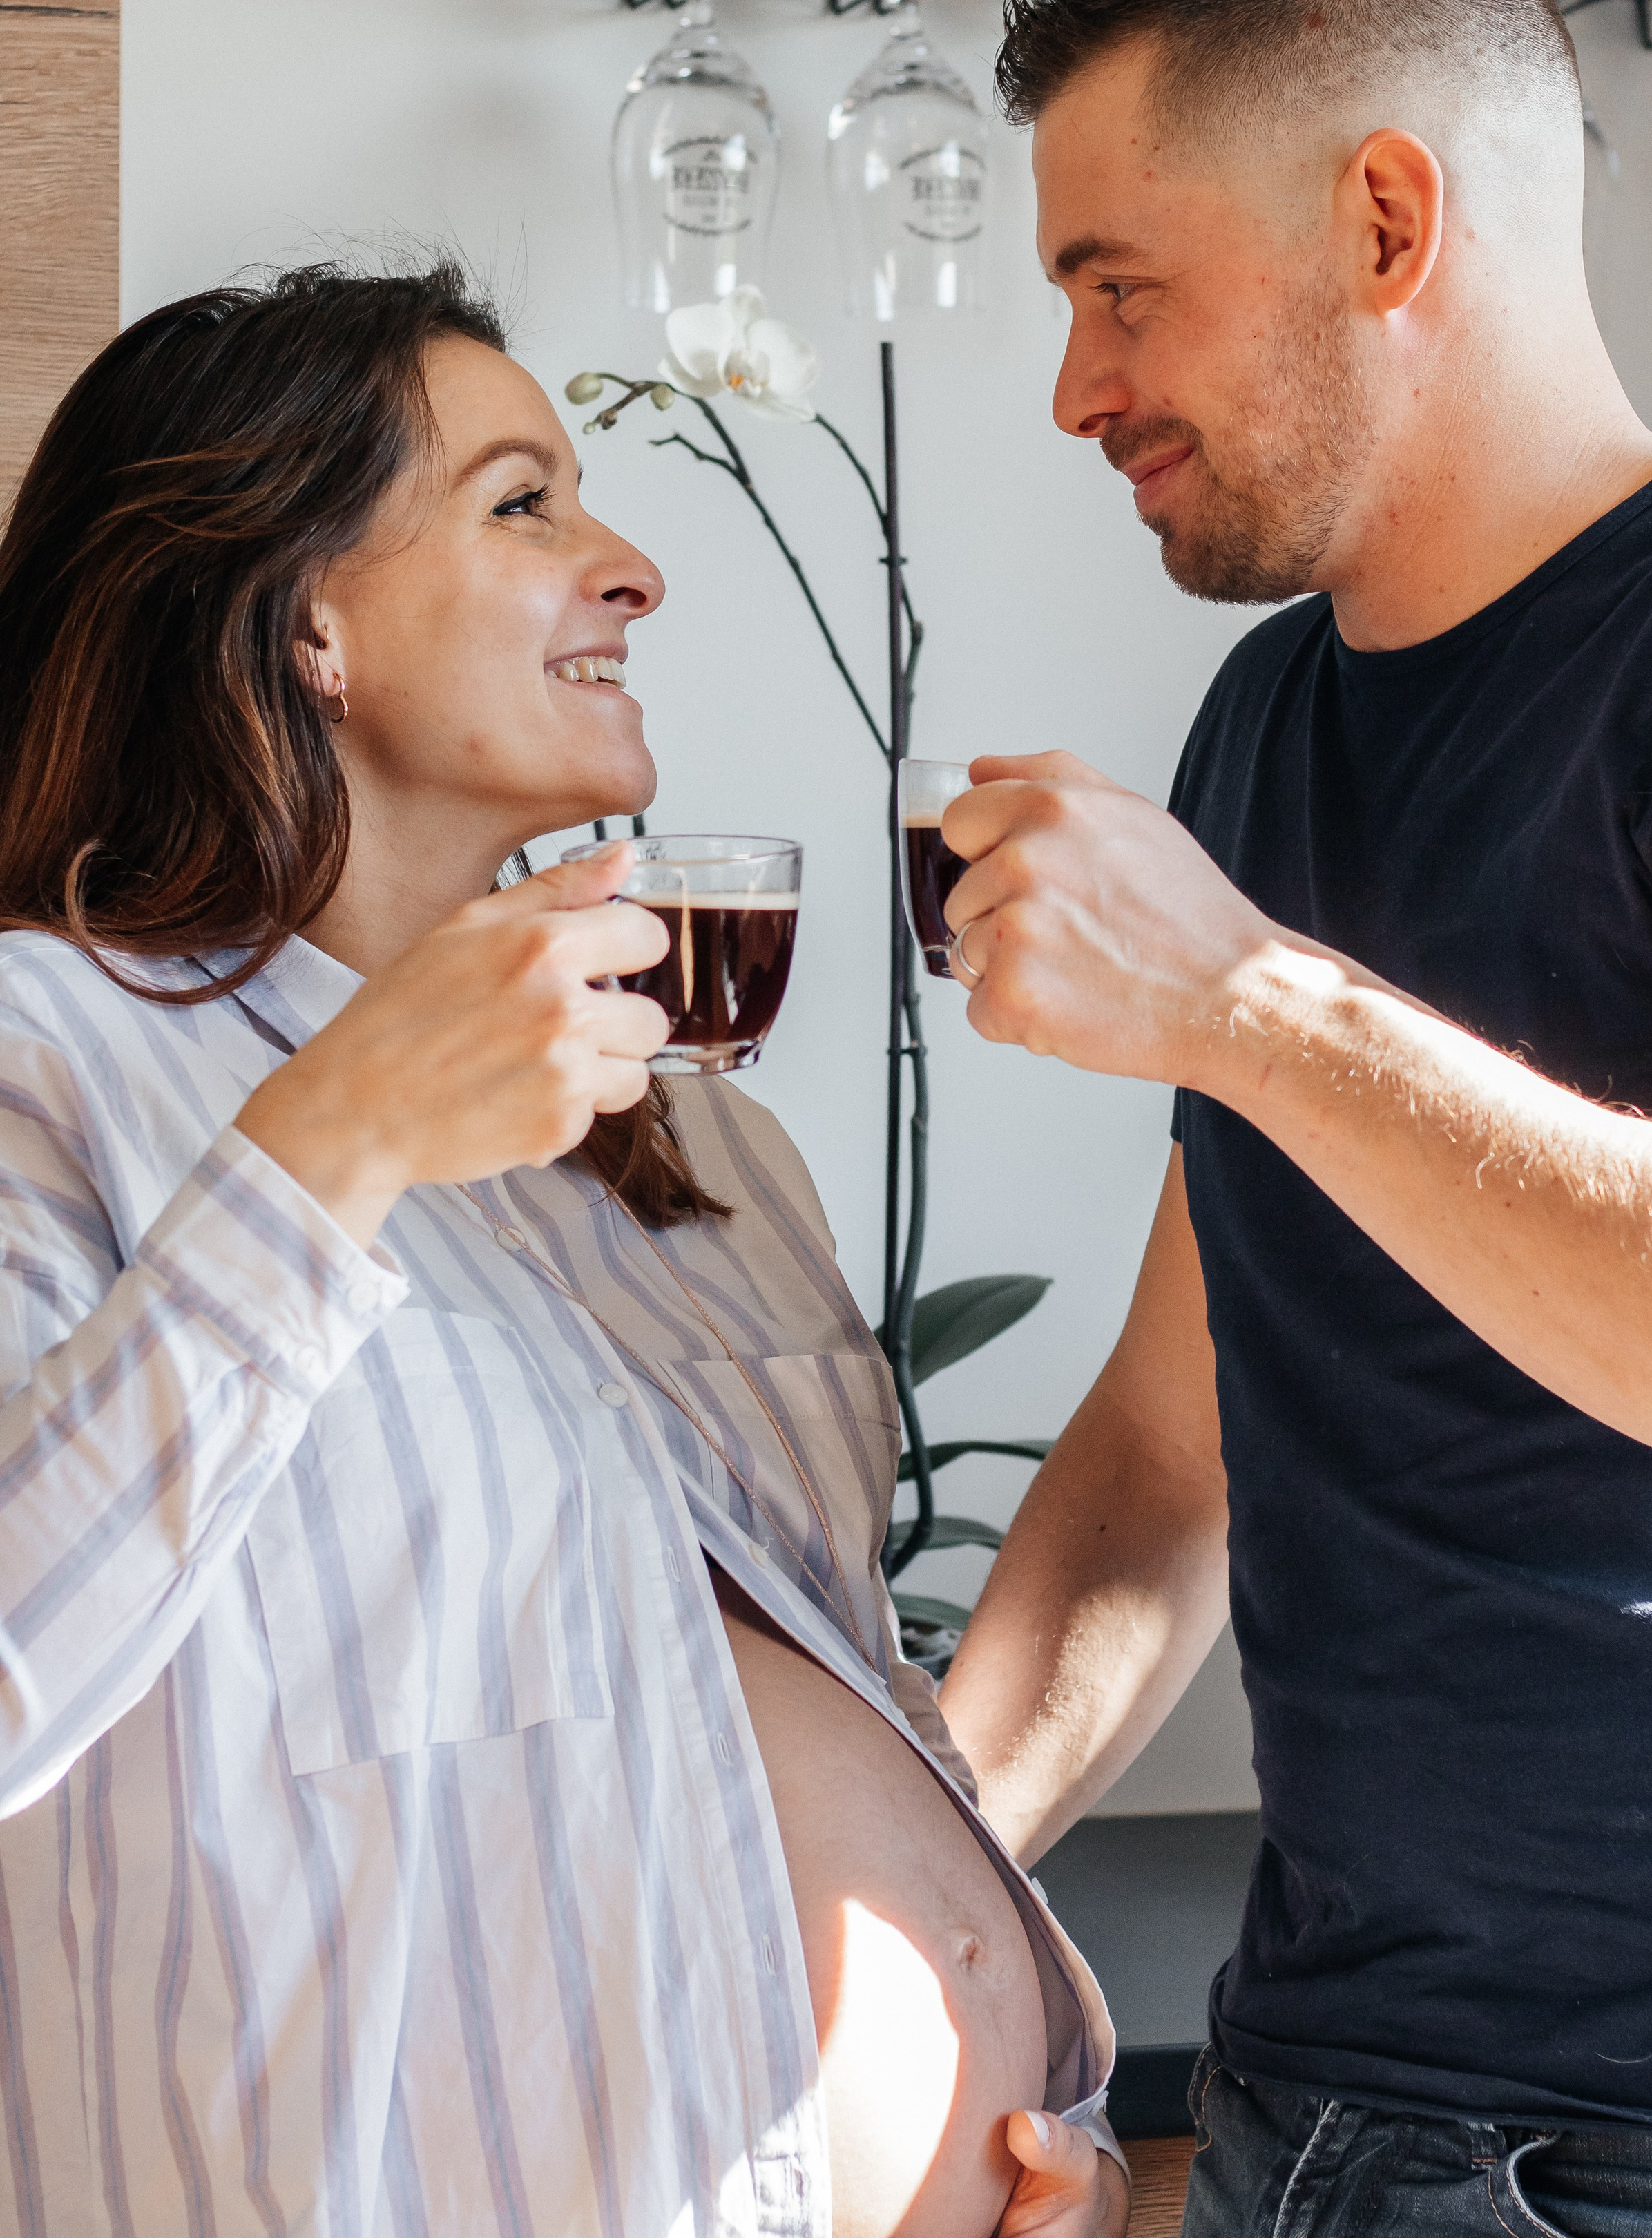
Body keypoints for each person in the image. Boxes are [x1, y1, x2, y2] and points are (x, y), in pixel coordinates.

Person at [0, 261, 1127, 2238]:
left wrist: (1051, 2109)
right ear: (305, 617)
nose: (634, 572)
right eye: (523, 503)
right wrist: (334, 1144)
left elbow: (821, 1697)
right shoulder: (50, 1061)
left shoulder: (695, 1145)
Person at [934, 0, 1652, 2235]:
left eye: (1121, 290)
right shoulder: (1267, 723)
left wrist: (1245, 1004)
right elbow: (1173, 1446)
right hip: (1306, 2106)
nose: (1078, 390)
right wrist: (911, 1894)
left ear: (1386, 223)